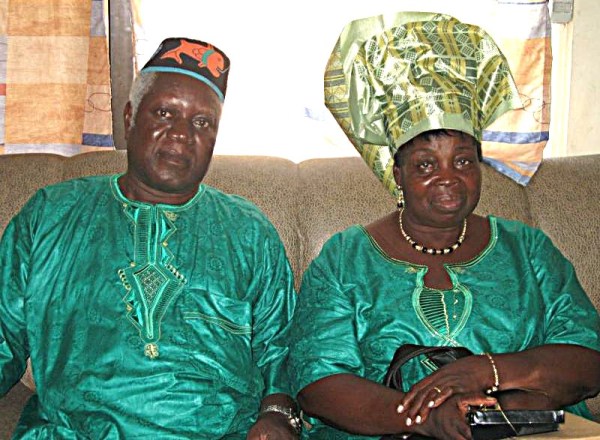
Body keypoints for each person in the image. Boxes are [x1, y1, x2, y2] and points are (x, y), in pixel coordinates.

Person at [288, 12, 600, 439]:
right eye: (425, 164)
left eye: (463, 161)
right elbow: (317, 381)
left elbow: (588, 361)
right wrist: (426, 418)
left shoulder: (527, 249)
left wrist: (486, 372)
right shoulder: (346, 258)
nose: (448, 178)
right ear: (397, 175)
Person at [0, 37, 301, 439]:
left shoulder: (249, 231)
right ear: (130, 118)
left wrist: (278, 415)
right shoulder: (51, 214)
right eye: (164, 113)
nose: (181, 134)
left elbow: (282, 350)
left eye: (202, 122)